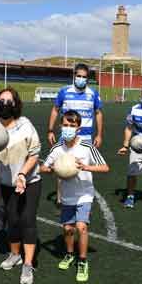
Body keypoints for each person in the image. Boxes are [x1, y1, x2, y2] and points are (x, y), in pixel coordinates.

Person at [41, 110, 110, 282]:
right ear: (60, 126)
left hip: (85, 194)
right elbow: (43, 168)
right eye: (65, 125)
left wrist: (86, 167)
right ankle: (70, 254)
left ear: (78, 128)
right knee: (67, 229)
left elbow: (105, 167)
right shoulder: (57, 148)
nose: (68, 128)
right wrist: (54, 169)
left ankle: (82, 260)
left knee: (81, 227)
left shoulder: (87, 147)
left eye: (72, 126)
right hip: (67, 196)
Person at [0, 88, 42, 284]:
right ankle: (15, 254)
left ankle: (27, 264)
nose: (4, 104)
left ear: (16, 104)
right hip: (6, 184)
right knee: (12, 220)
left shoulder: (26, 125)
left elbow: (34, 153)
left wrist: (22, 174)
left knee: (27, 220)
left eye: (9, 101)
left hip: (29, 181)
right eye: (1, 100)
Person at [47, 63, 103, 203]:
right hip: (66, 135)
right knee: (61, 166)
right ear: (74, 76)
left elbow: (98, 113)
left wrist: (99, 134)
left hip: (85, 137)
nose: (81, 79)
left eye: (84, 77)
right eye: (78, 76)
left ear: (87, 79)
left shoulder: (93, 94)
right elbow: (55, 110)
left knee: (84, 170)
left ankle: (83, 199)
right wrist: (50, 130)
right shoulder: (64, 91)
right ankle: (60, 200)